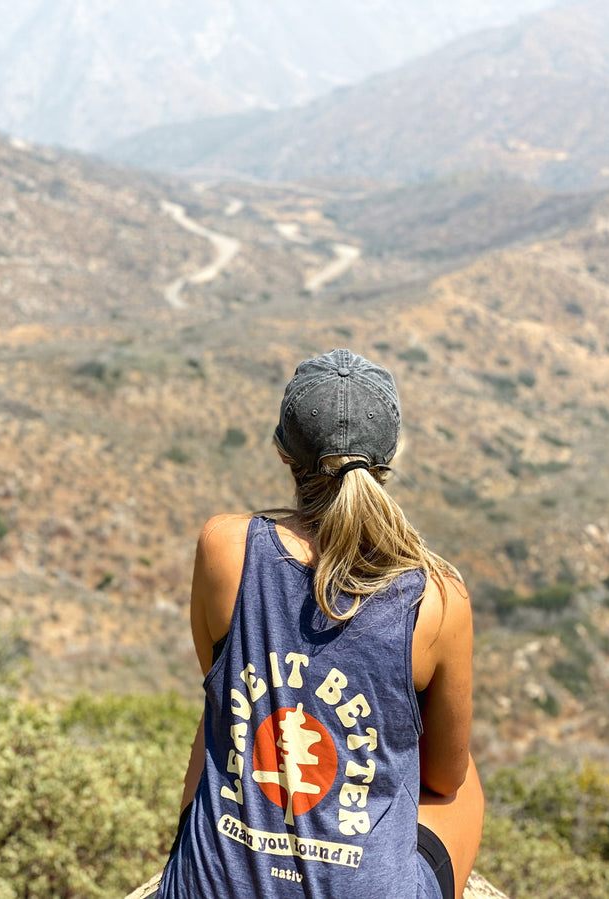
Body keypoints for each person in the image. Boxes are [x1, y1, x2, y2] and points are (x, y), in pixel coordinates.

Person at [159, 349, 484, 899]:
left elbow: (220, 683)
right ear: (387, 460)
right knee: (465, 779)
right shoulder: (437, 598)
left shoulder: (225, 546)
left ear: (283, 453)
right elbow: (442, 779)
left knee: (220, 712)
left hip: (214, 886)